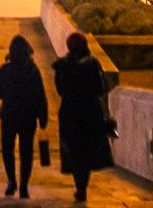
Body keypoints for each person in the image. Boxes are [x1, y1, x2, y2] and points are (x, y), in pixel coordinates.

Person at [53, 32, 114, 202]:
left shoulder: (62, 65)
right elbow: (101, 88)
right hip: (90, 112)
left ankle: (79, 186)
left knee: (74, 150)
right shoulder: (93, 64)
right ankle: (82, 187)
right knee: (87, 151)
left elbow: (59, 90)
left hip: (70, 112)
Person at [0, 35, 49, 198]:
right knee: (26, 152)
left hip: (9, 116)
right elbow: (40, 95)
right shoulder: (33, 70)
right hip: (28, 118)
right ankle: (24, 186)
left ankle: (11, 182)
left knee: (7, 150)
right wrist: (43, 118)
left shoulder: (5, 70)